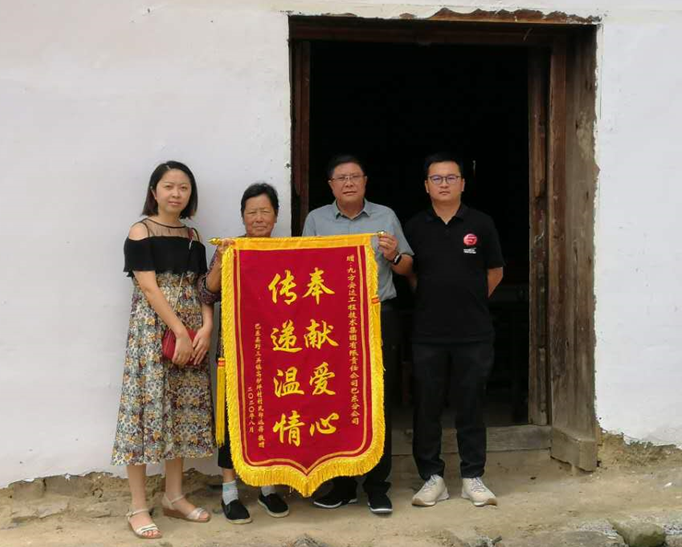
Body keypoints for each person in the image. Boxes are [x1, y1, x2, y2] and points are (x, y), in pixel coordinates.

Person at [301, 154, 413, 516]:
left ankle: (378, 486)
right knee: (336, 398)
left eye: (354, 177)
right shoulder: (316, 220)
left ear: (365, 181)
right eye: (341, 178)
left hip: (378, 315)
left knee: (378, 400)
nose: (348, 183)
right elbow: (302, 268)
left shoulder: (385, 216)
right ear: (330, 185)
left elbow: (408, 265)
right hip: (331, 323)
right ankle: (344, 484)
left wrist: (394, 256)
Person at [112, 161, 215, 538]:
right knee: (143, 413)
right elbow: (149, 287)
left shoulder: (193, 234)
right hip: (153, 332)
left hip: (191, 329)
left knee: (181, 411)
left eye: (183, 187)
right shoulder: (140, 231)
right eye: (169, 186)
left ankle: (174, 496)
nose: (176, 193)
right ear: (154, 191)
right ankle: (138, 507)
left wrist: (206, 327)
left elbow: (202, 286)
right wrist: (180, 331)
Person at [404, 152, 504, 508]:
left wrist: (469, 299)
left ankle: (472, 476)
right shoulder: (415, 226)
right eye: (436, 178)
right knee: (426, 407)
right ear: (426, 185)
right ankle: (432, 478)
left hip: (473, 332)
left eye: (450, 178)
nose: (443, 184)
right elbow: (411, 273)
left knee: (471, 405)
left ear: (462, 183)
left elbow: (495, 271)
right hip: (428, 333)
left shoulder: (481, 223)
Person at [200, 182, 291, 524]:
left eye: (265, 211)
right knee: (231, 418)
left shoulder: (287, 250)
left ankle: (267, 487)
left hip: (277, 348)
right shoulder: (231, 248)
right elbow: (207, 294)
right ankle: (230, 492)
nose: (258, 218)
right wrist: (221, 262)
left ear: (276, 216)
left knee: (273, 415)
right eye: (252, 212)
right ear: (242, 216)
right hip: (236, 349)